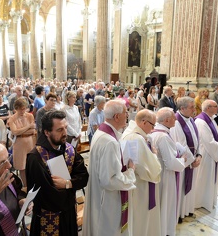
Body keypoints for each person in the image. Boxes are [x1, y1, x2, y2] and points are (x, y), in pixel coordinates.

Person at [26, 110, 89, 236]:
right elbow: (47, 194)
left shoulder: (69, 149)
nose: (65, 133)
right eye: (60, 130)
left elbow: (84, 177)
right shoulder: (35, 157)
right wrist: (73, 187)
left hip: (69, 212)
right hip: (48, 216)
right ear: (47, 132)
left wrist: (67, 184)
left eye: (65, 128)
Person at [83, 100, 136, 236]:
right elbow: (110, 180)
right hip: (107, 198)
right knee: (107, 228)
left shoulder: (101, 132)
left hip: (98, 192)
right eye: (125, 112)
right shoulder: (110, 142)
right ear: (117, 116)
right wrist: (130, 172)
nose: (128, 115)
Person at [121, 110, 162, 236]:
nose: (154, 128)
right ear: (144, 122)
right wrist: (154, 155)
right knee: (141, 219)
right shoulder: (136, 138)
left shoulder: (131, 133)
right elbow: (151, 170)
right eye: (153, 125)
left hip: (136, 182)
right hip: (140, 186)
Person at [150, 107, 187, 236]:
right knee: (166, 204)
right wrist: (183, 159)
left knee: (162, 204)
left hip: (160, 173)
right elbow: (171, 163)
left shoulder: (155, 132)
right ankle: (165, 230)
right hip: (166, 175)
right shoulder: (163, 136)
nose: (176, 119)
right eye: (173, 117)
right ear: (166, 120)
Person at [170, 97, 200, 222]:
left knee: (190, 186)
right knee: (182, 187)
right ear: (182, 108)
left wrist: (199, 155)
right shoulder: (177, 122)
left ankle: (187, 210)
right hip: (184, 161)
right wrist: (192, 160)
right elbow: (181, 144)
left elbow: (197, 139)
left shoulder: (190, 119)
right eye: (191, 107)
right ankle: (179, 214)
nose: (194, 109)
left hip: (192, 159)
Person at [194, 100, 218, 211]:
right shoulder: (201, 121)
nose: (217, 108)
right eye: (215, 106)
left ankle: (207, 200)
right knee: (203, 178)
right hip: (206, 154)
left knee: (209, 178)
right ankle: (199, 201)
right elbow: (208, 142)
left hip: (211, 153)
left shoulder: (211, 119)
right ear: (208, 108)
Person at [7, 98, 36, 187]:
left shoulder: (30, 116)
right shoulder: (12, 118)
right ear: (16, 108)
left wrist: (22, 130)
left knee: (31, 164)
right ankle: (26, 185)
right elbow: (15, 132)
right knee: (22, 166)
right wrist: (28, 126)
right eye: (20, 109)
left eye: (24, 108)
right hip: (19, 144)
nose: (23, 111)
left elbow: (33, 130)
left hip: (30, 142)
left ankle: (34, 183)